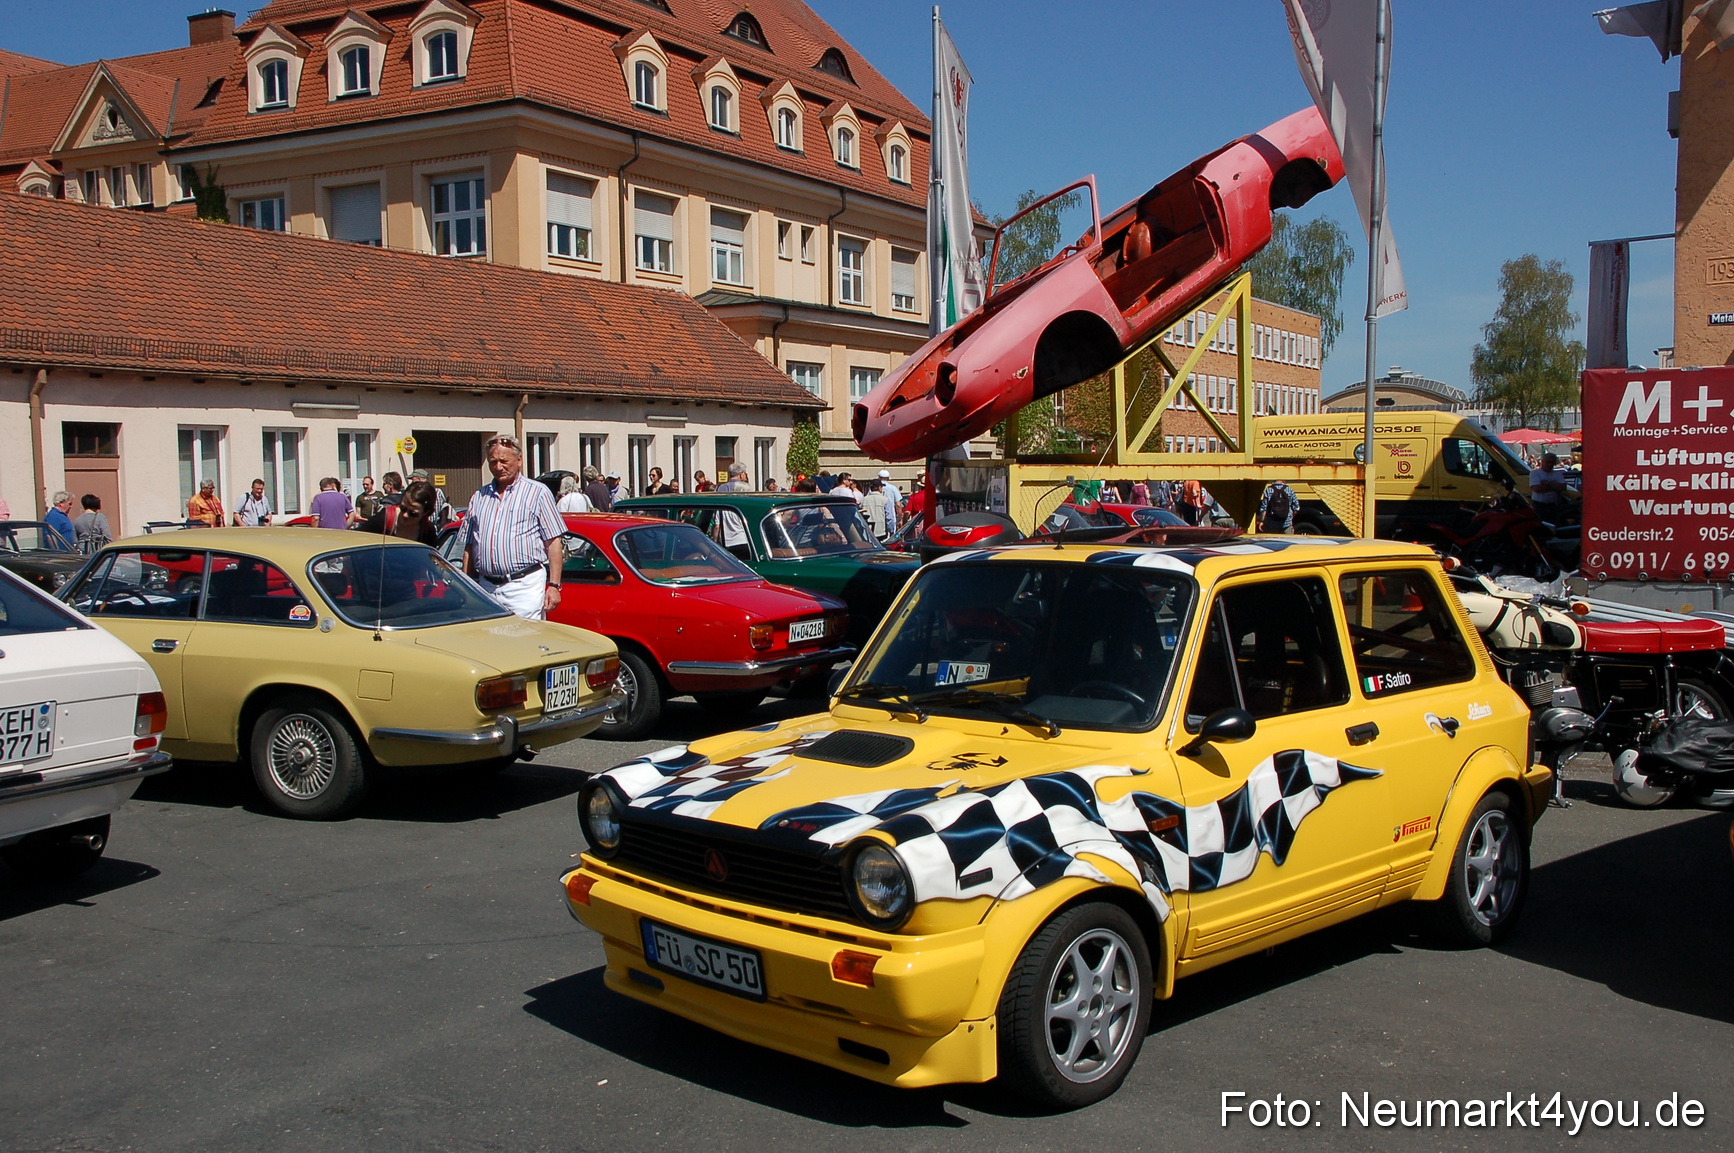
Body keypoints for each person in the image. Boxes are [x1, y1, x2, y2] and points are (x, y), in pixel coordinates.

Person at [463, 435, 565, 619]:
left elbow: (553, 541)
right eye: (493, 462)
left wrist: (554, 585)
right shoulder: (479, 496)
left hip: (524, 586)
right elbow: (470, 546)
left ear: (519, 460)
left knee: (525, 642)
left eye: (504, 461)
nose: (498, 467)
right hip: (486, 588)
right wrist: (467, 586)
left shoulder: (537, 492)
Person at [357, 479, 440, 545]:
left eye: (413, 513)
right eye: (403, 508)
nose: (405, 515)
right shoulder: (385, 518)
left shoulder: (427, 531)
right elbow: (355, 539)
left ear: (426, 513)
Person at [1530, 452, 1571, 521]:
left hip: (1553, 507)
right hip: (1539, 507)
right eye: (1548, 462)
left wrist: (1548, 483)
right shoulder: (1535, 473)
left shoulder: (1557, 474)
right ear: (1542, 462)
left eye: (1552, 462)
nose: (1550, 464)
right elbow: (1536, 488)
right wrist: (1555, 486)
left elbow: (1563, 487)